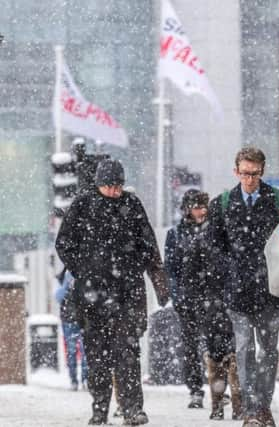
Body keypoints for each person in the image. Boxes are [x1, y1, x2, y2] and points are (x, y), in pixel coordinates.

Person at [56, 159, 169, 426]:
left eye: (118, 185)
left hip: (127, 293)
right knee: (97, 356)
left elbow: (149, 246)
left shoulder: (132, 205)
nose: (115, 191)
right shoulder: (83, 205)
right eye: (109, 186)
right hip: (92, 295)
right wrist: (83, 269)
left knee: (128, 353)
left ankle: (132, 409)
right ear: (99, 184)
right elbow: (64, 243)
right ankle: (99, 409)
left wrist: (158, 280)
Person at [208, 147, 279, 427]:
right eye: (245, 173)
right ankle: (251, 409)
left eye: (254, 174)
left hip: (269, 290)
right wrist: (230, 272)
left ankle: (263, 406)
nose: (250, 179)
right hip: (238, 290)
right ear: (236, 171)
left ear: (262, 171)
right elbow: (214, 246)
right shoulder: (222, 203)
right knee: (243, 350)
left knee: (268, 350)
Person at [165, 189, 242, 419]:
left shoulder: (216, 231)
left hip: (214, 298)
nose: (201, 211)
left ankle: (222, 392)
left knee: (220, 346)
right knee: (190, 344)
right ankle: (195, 388)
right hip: (189, 298)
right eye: (197, 207)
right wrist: (177, 295)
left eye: (204, 206)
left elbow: (227, 263)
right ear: (187, 209)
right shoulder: (176, 234)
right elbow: (172, 268)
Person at [54, 268, 88, 391]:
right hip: (72, 320)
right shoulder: (66, 275)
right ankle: (76, 380)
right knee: (75, 351)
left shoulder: (80, 271)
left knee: (82, 352)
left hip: (78, 320)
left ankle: (82, 380)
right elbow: (58, 296)